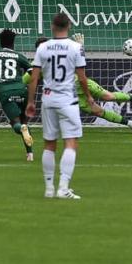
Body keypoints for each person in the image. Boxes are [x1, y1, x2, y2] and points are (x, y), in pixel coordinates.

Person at [26, 13, 93, 200]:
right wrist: (89, 98)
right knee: (70, 142)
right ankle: (63, 188)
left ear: (52, 26)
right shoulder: (76, 47)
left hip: (48, 99)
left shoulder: (43, 47)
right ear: (69, 26)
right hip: (67, 100)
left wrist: (31, 101)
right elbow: (82, 77)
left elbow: (34, 78)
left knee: (49, 143)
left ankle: (48, 188)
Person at [57, 33, 132, 134]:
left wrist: (80, 47)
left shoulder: (60, 57)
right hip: (70, 95)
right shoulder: (42, 65)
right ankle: (130, 123)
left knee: (108, 97)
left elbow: (77, 64)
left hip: (82, 83)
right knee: (99, 112)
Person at [0, 29, 35, 162]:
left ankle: (21, 129)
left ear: (0, 41)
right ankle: (30, 154)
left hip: (5, 92)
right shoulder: (19, 56)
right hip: (22, 90)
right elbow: (32, 73)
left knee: (16, 124)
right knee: (25, 122)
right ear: (13, 42)